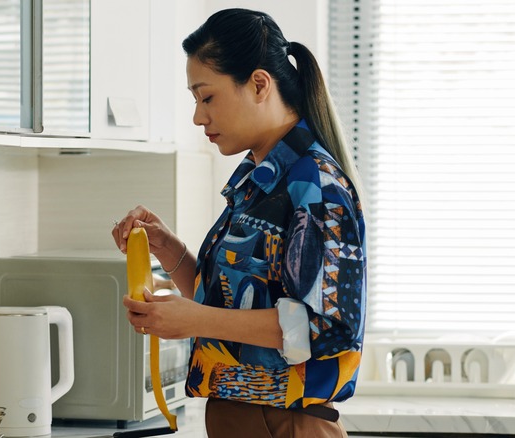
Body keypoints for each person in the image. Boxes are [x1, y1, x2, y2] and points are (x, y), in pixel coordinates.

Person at [112, 8, 366, 438]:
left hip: (284, 425)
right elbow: (229, 303)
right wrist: (169, 248)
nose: (198, 116)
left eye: (206, 97)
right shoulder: (259, 180)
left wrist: (194, 321)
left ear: (259, 84)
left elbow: (323, 328)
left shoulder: (314, 185)